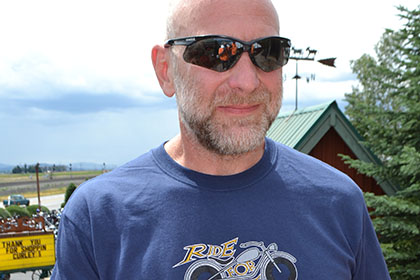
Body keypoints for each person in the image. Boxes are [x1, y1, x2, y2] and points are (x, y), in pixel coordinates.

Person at [51, 0, 391, 279]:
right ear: (165, 70)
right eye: (215, 53)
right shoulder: (97, 218)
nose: (247, 81)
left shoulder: (339, 202)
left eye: (267, 52)